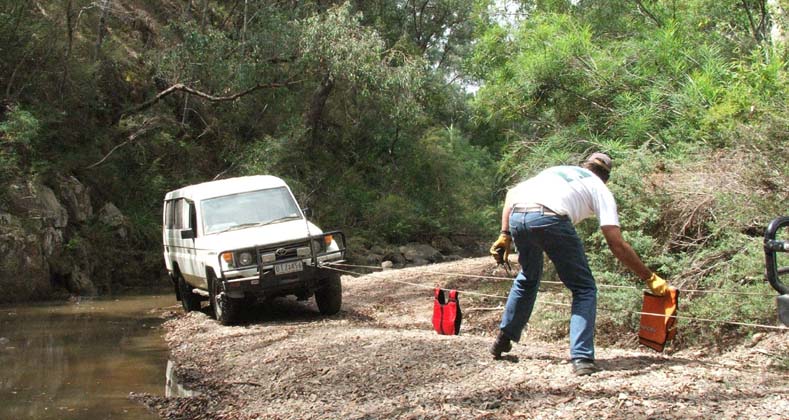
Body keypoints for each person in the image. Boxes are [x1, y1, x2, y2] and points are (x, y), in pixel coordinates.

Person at [488, 152, 670, 376]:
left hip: (518, 216)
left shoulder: (556, 171)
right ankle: (582, 358)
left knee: (527, 277)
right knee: (583, 288)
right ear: (606, 177)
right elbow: (616, 243)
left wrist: (504, 233)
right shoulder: (599, 188)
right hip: (551, 218)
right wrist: (648, 277)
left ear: (584, 165)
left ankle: (503, 340)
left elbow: (511, 194)